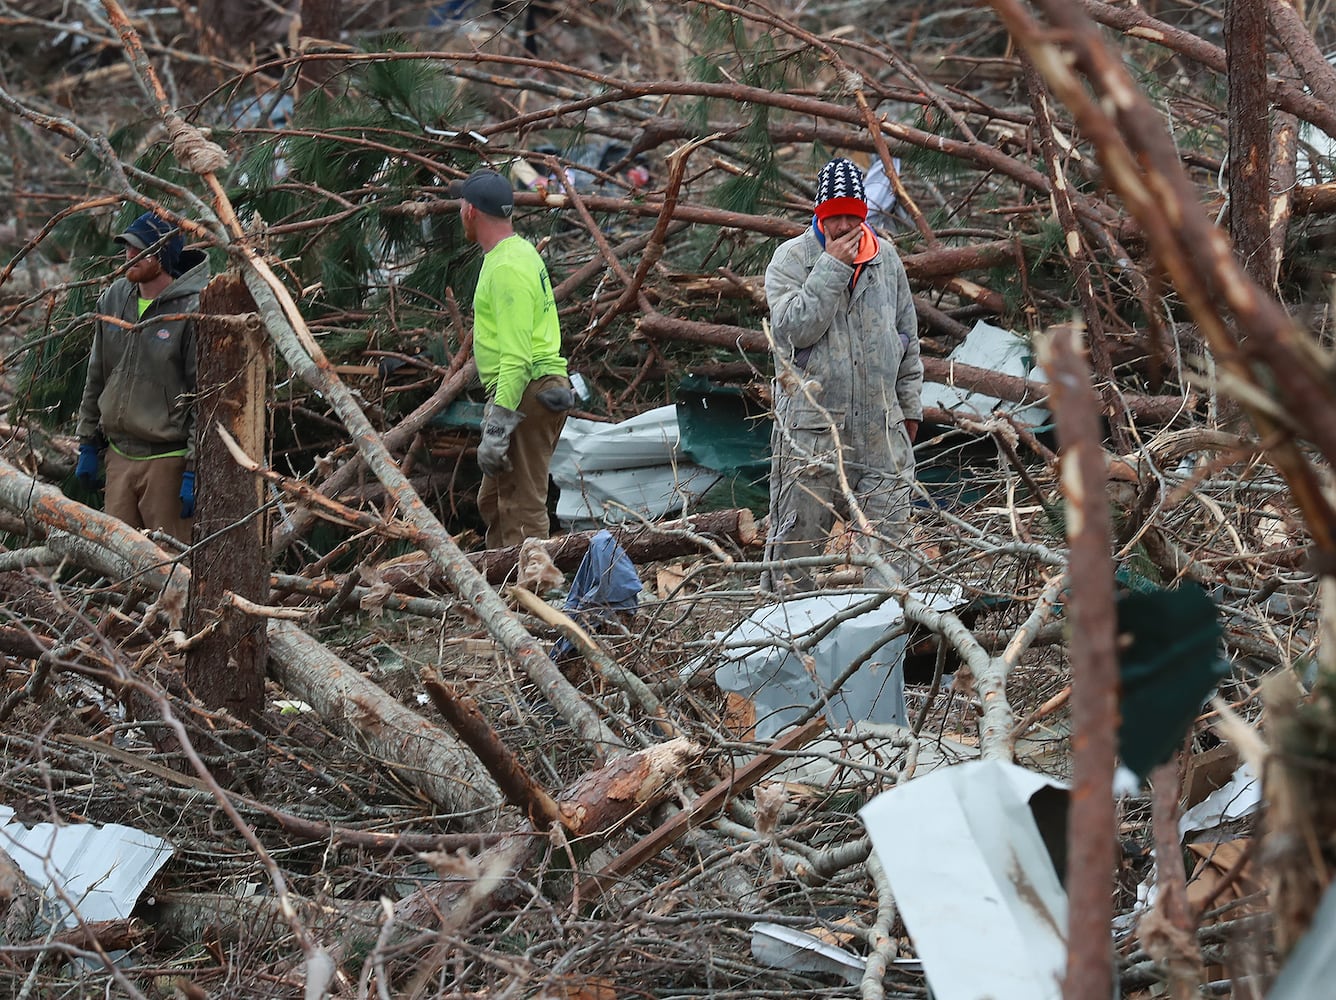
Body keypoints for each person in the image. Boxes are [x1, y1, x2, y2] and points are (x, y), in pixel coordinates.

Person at [762, 157, 924, 592]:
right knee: (794, 558)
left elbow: (907, 338)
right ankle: (785, 647)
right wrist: (831, 267)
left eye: (851, 217)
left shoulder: (886, 260)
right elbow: (794, 328)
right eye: (833, 219)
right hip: (812, 435)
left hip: (882, 435)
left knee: (894, 558)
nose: (842, 228)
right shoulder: (791, 260)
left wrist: (909, 409)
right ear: (819, 216)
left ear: (864, 215)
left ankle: (892, 642)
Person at [449, 167, 575, 549]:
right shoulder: (518, 252)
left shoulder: (506, 267)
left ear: (471, 211)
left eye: (460, 205)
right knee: (495, 498)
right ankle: (506, 590)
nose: (458, 212)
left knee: (521, 505)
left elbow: (518, 357)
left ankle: (534, 592)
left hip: (528, 390)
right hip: (531, 389)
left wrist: (499, 424)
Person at [76, 211, 209, 544]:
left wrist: (193, 469)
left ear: (162, 256)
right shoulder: (114, 298)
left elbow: (203, 397)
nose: (128, 256)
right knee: (116, 564)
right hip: (119, 458)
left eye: (139, 249)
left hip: (167, 464)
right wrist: (88, 443)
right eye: (127, 248)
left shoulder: (194, 309)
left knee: (167, 569)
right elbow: (97, 373)